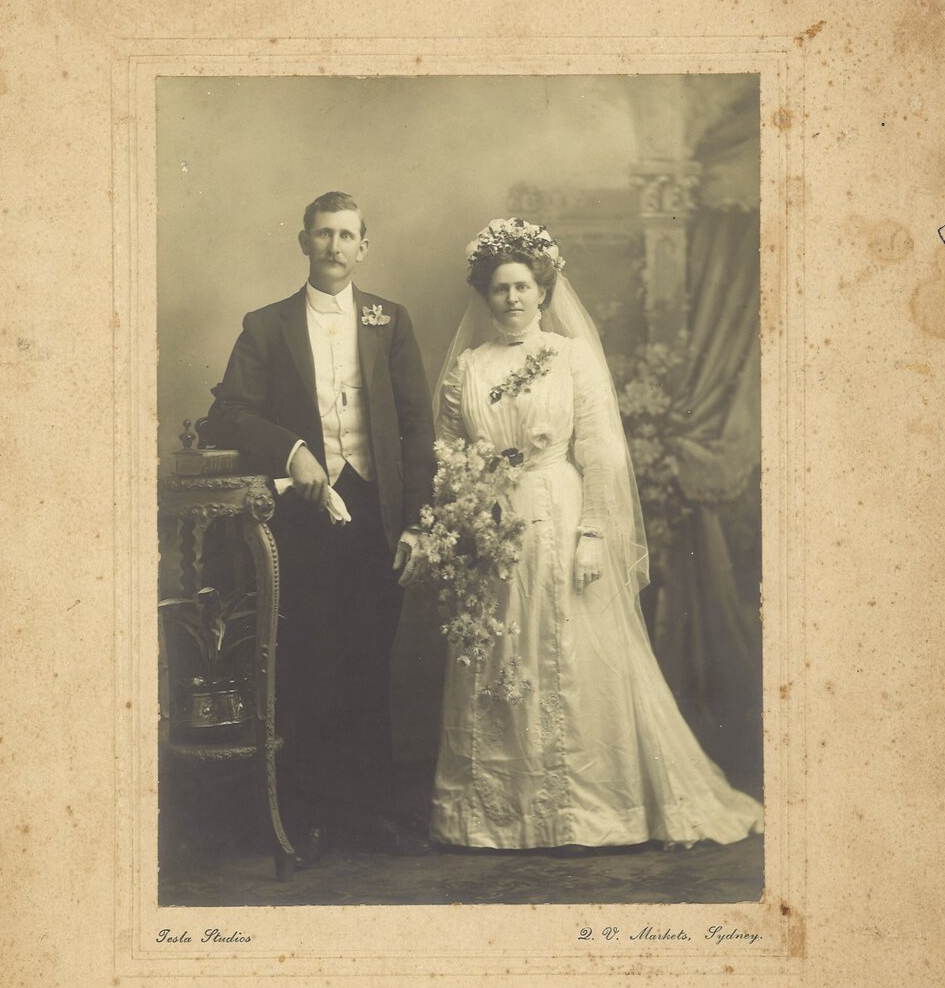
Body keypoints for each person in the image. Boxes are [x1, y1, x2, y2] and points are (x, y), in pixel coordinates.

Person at [428, 218, 764, 852]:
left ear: (545, 289)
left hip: (558, 515)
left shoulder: (569, 356)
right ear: (485, 294)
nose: (513, 299)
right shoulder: (467, 368)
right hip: (490, 529)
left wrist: (592, 535)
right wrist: (463, 519)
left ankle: (582, 812)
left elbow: (603, 452)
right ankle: (496, 817)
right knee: (499, 655)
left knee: (571, 656)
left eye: (524, 286)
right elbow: (448, 449)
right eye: (500, 289)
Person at [204, 192, 435, 860]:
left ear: (364, 246)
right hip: (304, 519)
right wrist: (291, 449)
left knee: (371, 661)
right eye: (323, 234)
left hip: (378, 516)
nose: (335, 247)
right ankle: (310, 814)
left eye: (347, 235)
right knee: (311, 664)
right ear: (304, 241)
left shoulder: (390, 321)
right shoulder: (268, 325)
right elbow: (226, 414)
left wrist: (417, 524)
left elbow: (418, 430)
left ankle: (373, 816)